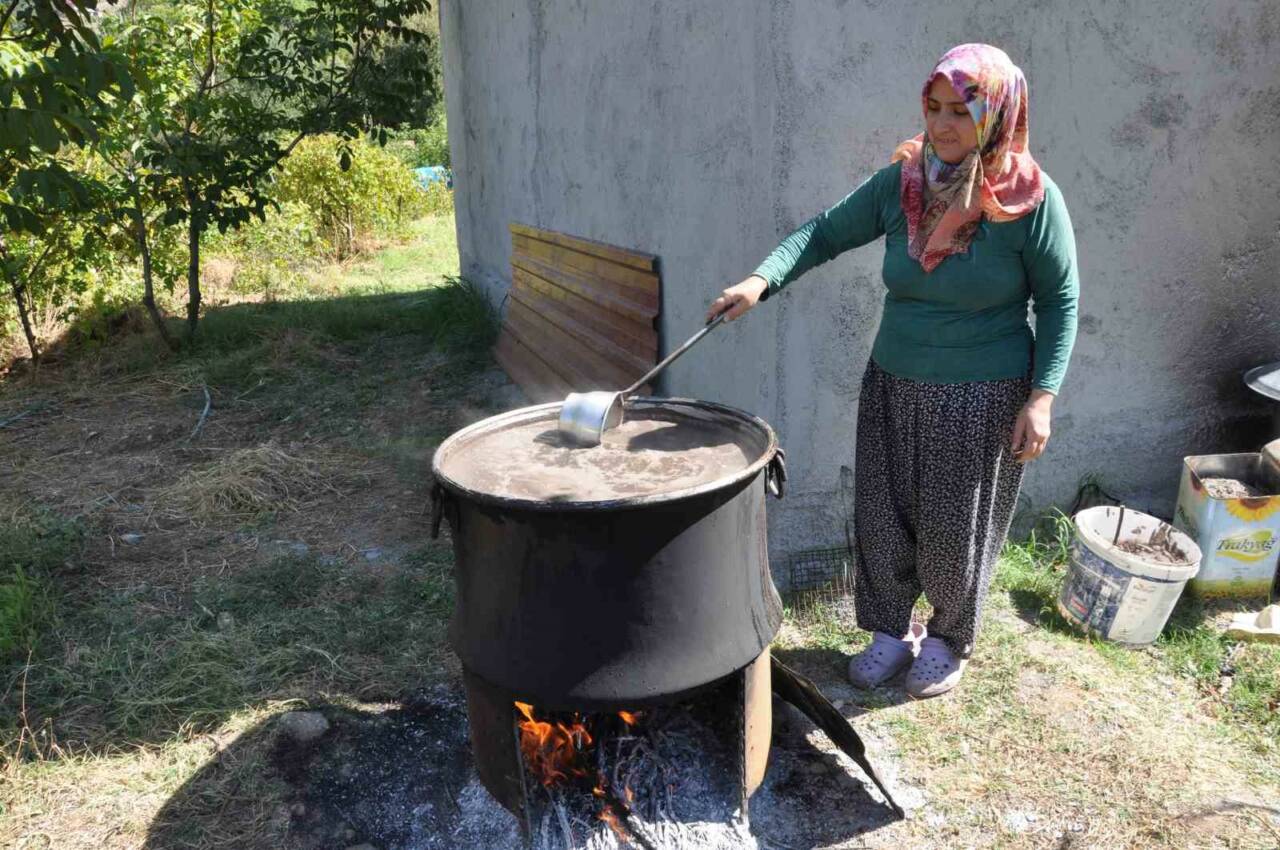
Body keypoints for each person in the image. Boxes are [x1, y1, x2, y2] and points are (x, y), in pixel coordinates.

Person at [707, 44, 1079, 698]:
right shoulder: (906, 184)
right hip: (893, 378)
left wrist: (1042, 397)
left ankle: (947, 638)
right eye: (933, 108)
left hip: (982, 392)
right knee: (882, 515)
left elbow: (1059, 298)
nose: (942, 126)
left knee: (951, 526)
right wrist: (759, 280)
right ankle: (888, 630)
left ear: (995, 114)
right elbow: (823, 233)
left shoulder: (1029, 200)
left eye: (961, 111)